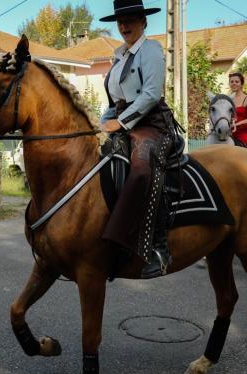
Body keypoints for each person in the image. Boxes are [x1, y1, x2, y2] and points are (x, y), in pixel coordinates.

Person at [99, 0, 178, 279]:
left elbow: (151, 94)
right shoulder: (119, 55)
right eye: (120, 21)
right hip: (122, 120)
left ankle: (158, 247)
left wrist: (119, 122)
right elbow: (116, 101)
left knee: (142, 169)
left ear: (143, 22)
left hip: (152, 123)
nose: (124, 25)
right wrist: (97, 126)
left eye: (130, 19)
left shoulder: (151, 50)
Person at [229, 72, 247, 146]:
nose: (234, 83)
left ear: (242, 84)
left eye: (237, 81)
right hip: (229, 134)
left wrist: (236, 124)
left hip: (243, 134)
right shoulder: (228, 99)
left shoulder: (246, 98)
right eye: (231, 81)